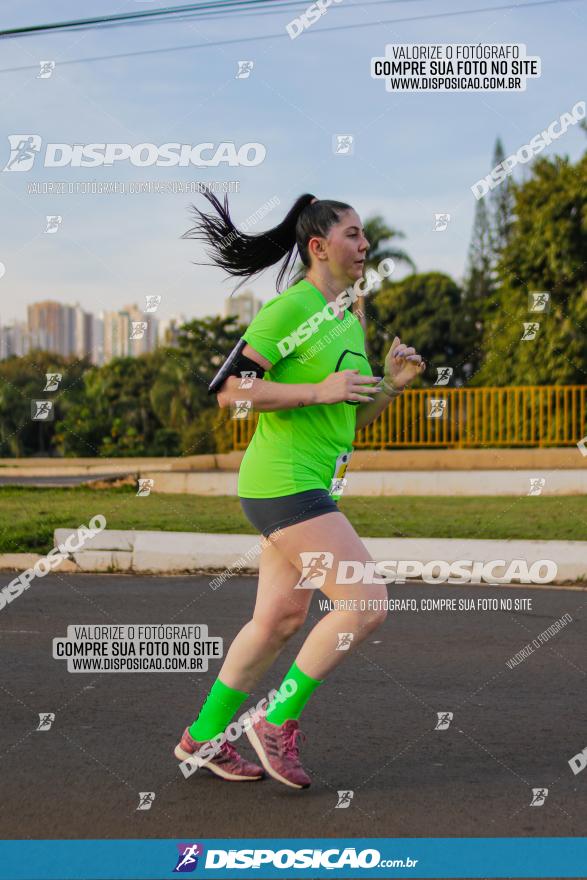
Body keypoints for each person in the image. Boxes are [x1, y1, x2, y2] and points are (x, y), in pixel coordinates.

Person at [175, 193, 425, 789]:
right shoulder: (291, 309)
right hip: (282, 481)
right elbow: (232, 391)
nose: (366, 246)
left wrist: (388, 386)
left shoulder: (349, 315)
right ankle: (275, 719)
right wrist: (320, 391)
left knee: (280, 618)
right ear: (319, 246)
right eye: (354, 235)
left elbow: (347, 417)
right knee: (366, 603)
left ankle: (203, 737)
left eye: (366, 236)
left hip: (310, 483)